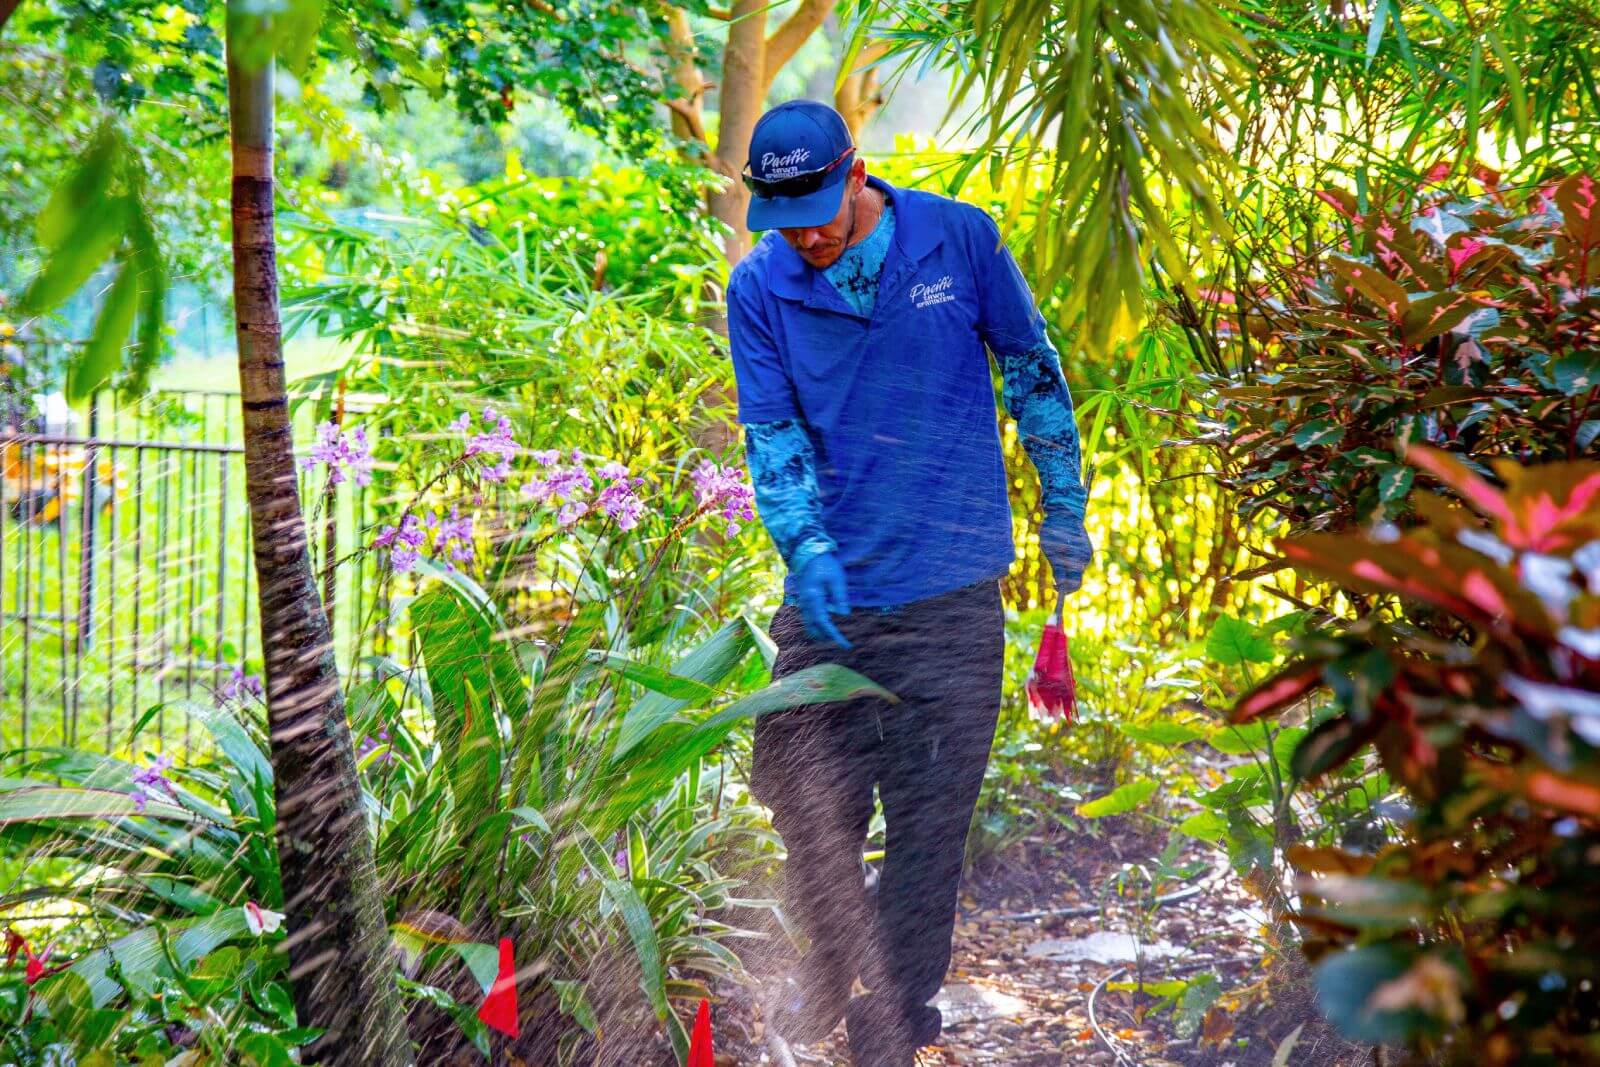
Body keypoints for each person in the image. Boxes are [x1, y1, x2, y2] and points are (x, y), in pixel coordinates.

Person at [726, 99, 1093, 1067]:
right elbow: (772, 439)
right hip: (834, 600)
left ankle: (893, 1015)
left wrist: (1064, 505)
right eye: (781, 217)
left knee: (930, 829)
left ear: (855, 174)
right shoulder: (760, 287)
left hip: (952, 592)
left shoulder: (958, 241)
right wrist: (802, 541)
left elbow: (1033, 372)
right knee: (802, 798)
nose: (802, 234)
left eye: (815, 207)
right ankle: (831, 959)